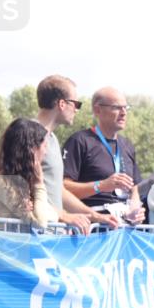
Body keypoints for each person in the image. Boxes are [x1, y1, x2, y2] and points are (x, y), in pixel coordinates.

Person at [33, 75, 116, 234]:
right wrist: (64, 216)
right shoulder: (28, 134)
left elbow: (59, 191)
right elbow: (20, 191)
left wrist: (95, 216)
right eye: (76, 104)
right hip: (33, 236)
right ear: (62, 104)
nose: (77, 110)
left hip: (51, 234)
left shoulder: (53, 139)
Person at [62, 87, 144, 223]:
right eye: (116, 107)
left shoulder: (127, 145)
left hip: (123, 228)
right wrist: (101, 185)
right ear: (97, 110)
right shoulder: (80, 141)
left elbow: (134, 189)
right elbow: (63, 187)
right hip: (93, 227)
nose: (123, 113)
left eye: (126, 107)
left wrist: (135, 210)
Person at [0, 119, 60, 228]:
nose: (46, 152)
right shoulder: (1, 182)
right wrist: (39, 184)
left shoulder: (25, 181)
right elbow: (40, 223)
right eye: (44, 146)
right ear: (32, 149)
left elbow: (53, 215)